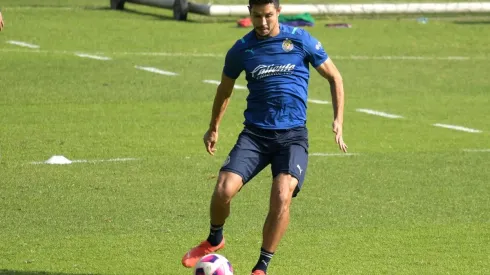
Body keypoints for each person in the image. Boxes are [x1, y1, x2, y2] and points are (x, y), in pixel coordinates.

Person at [181, 0, 348, 274]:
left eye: (268, 15)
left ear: (278, 12)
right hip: (255, 136)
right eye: (257, 16)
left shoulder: (300, 40)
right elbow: (225, 90)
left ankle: (262, 266)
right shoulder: (241, 49)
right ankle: (214, 238)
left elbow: (335, 77)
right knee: (223, 189)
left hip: (292, 137)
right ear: (250, 14)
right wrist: (213, 127)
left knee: (282, 196)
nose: (262, 22)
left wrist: (338, 119)